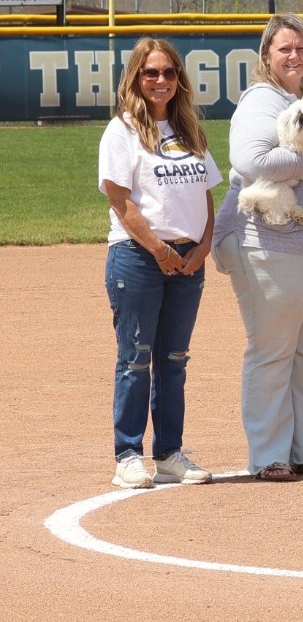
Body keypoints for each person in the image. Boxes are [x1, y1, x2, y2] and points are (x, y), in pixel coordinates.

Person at [212, 14, 303, 481]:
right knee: (273, 349)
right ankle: (269, 455)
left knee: (298, 350)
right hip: (271, 242)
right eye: (284, 48)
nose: (294, 56)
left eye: (302, 48)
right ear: (266, 56)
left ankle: (298, 448)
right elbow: (251, 161)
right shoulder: (261, 101)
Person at [99, 38, 221, 489]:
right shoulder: (123, 130)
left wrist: (203, 246)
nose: (161, 81)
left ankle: (169, 453)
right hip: (138, 258)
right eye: (151, 73)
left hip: (189, 260)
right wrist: (158, 249)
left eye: (169, 72)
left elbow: (206, 195)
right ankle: (127, 454)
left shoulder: (188, 130)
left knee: (173, 360)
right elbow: (119, 199)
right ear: (136, 78)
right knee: (136, 358)